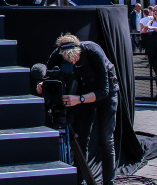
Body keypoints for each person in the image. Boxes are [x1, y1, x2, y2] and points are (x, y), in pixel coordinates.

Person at [36, 34, 119, 185]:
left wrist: (79, 99)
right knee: (81, 139)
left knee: (106, 139)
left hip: (106, 91)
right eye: (69, 61)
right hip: (85, 89)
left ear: (79, 50)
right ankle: (80, 180)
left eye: (75, 58)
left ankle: (109, 182)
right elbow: (47, 74)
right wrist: (42, 84)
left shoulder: (93, 52)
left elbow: (104, 91)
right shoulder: (58, 53)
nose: (73, 62)